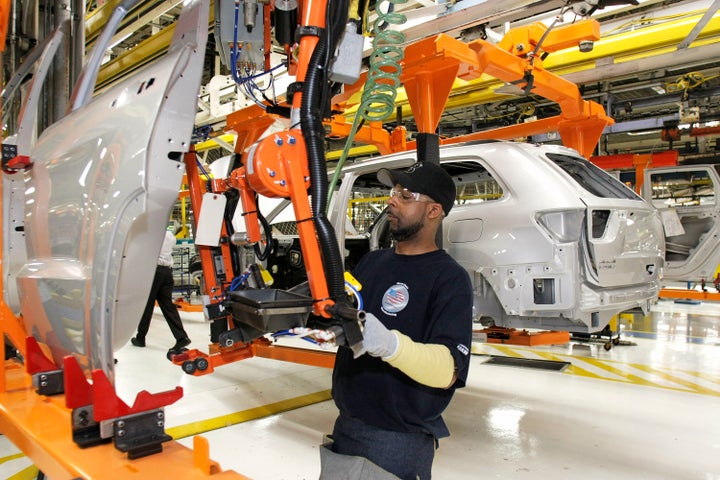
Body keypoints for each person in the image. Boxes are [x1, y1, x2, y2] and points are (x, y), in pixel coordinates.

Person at [326, 161, 474, 480]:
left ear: (433, 211)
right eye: (393, 192)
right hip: (346, 424)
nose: (391, 200)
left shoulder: (450, 279)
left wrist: (390, 345)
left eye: (406, 195)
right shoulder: (372, 261)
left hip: (397, 440)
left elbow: (449, 370)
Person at [131, 228, 191, 351]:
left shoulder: (152, 234)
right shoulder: (170, 236)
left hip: (154, 272)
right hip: (167, 273)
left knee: (147, 305)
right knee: (168, 306)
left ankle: (140, 338)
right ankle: (181, 337)